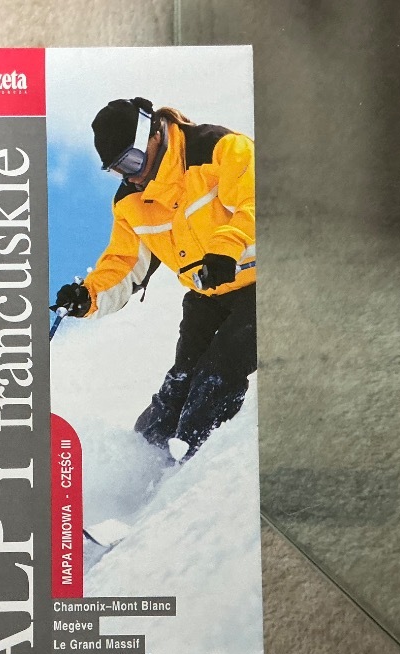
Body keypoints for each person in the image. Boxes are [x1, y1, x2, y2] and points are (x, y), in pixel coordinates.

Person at [53, 97, 257, 462]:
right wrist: (88, 295)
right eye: (119, 170)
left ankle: (193, 474)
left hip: (260, 287)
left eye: (132, 162)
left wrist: (226, 250)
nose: (130, 176)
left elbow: (257, 201)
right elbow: (124, 263)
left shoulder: (218, 149)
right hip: (207, 294)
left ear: (153, 134)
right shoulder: (131, 202)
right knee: (176, 389)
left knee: (215, 377)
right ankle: (141, 467)